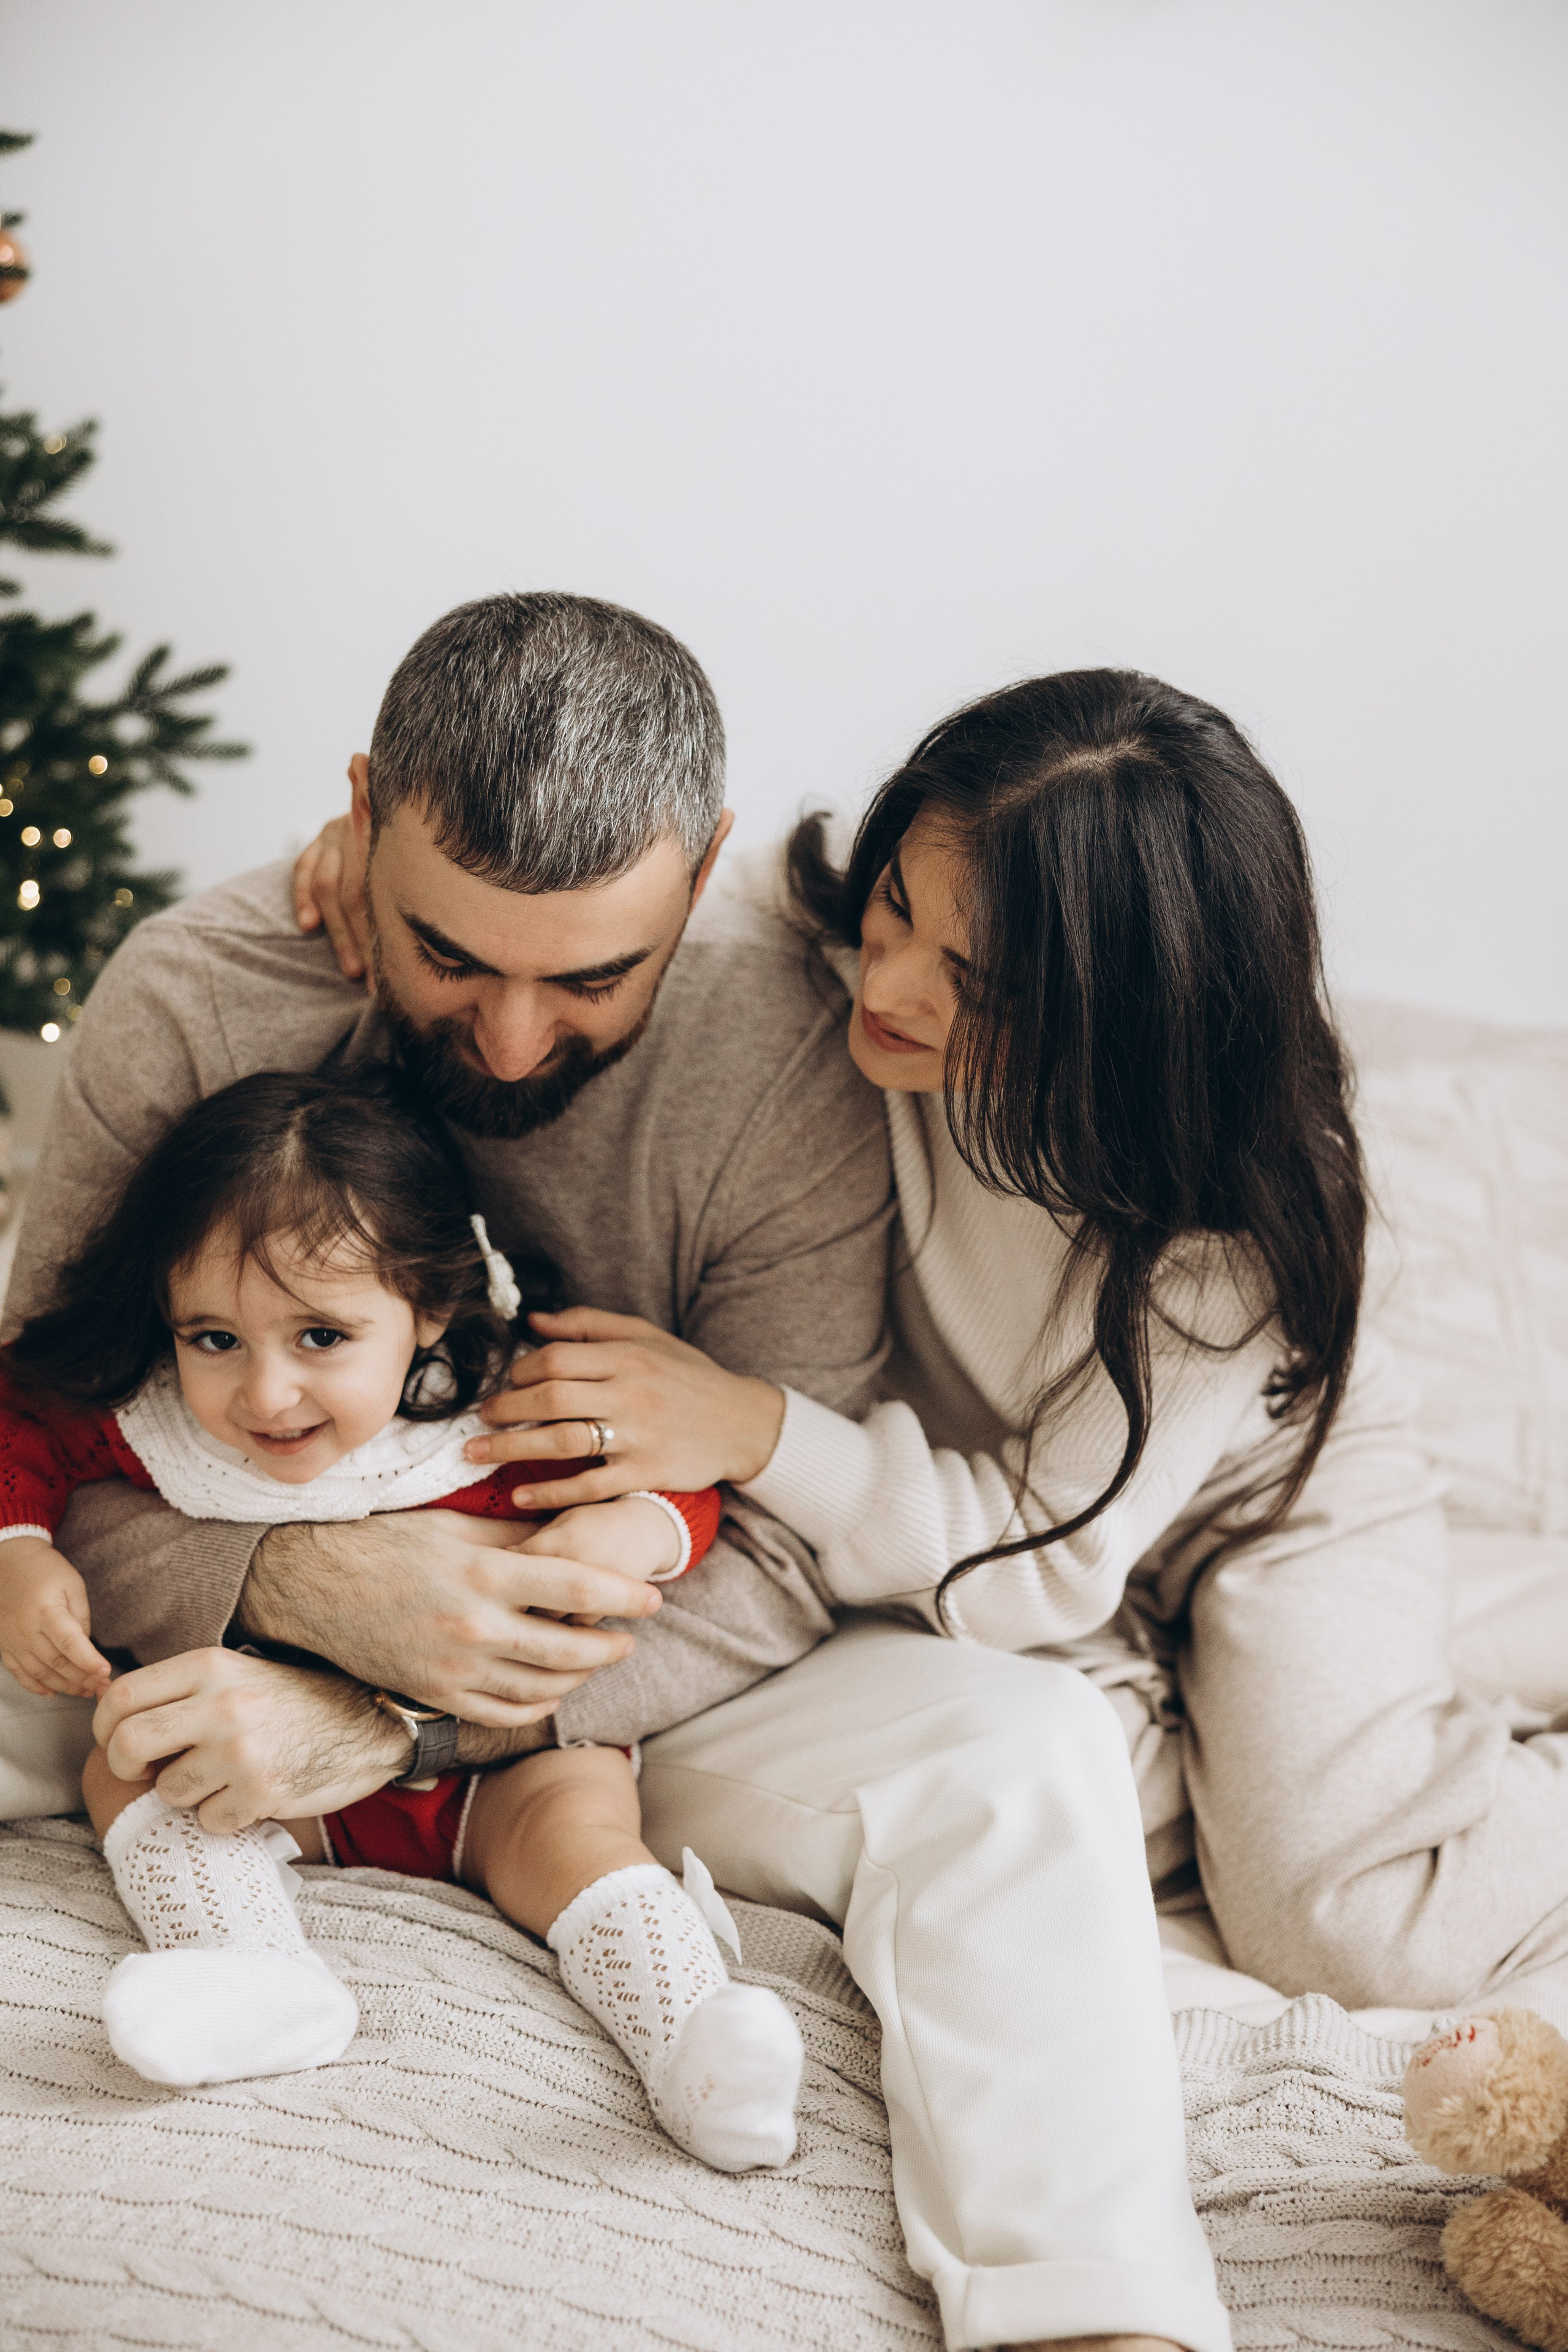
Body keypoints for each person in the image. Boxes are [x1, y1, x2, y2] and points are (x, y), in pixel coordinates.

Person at [4, 595, 1228, 2352]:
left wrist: (411, 1722)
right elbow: (48, 1427)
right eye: (450, 960)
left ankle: (1088, 2318)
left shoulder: (793, 1053)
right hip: (194, 1630)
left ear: (708, 872)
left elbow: (789, 1550)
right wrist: (305, 1599)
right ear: (358, 819)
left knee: (1024, 1752)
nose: (509, 1040)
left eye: (592, 978)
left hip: (614, 1683)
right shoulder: (196, 1001)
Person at [466, 666, 1568, 2040]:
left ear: (1122, 1019)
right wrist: (332, 868)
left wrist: (750, 1425)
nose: (891, 983)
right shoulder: (799, 934)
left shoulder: (1210, 1235)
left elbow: (1043, 1565)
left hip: (1242, 1509)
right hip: (988, 1498)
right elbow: (585, 885)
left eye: (979, 983)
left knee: (1344, 1925)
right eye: (897, 908)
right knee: (1061, 1793)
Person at [0, 1066, 806, 2172]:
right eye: (214, 1339)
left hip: (498, 1780)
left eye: (322, 1338)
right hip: (270, 1785)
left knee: (585, 1830)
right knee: (128, 1760)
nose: (265, 1396)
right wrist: (21, 1551)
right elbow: (26, 1426)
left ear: (428, 1309)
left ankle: (695, 2047)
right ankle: (255, 1972)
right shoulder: (157, 1427)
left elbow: (686, 1483)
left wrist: (641, 1527)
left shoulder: (494, 1416)